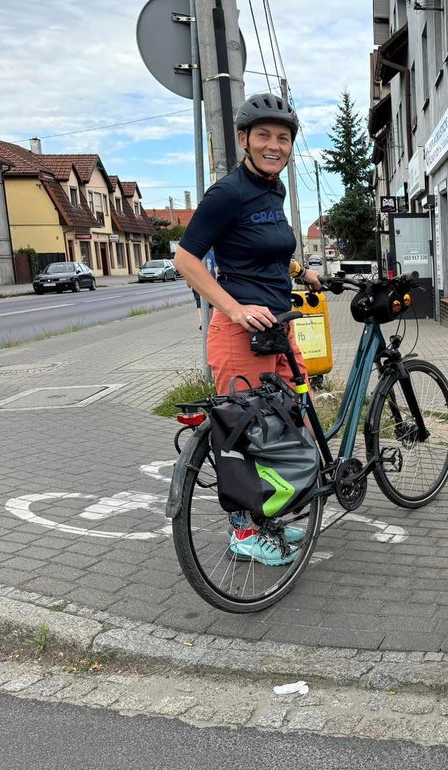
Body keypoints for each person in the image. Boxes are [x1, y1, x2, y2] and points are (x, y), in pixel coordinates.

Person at [174, 92, 321, 565]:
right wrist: (234, 309)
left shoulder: (273, 190)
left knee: (293, 421)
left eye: (283, 137)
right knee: (244, 435)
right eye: (264, 136)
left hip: (278, 328)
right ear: (244, 139)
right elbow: (186, 259)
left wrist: (301, 272)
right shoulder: (228, 193)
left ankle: (271, 515)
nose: (274, 145)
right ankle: (242, 534)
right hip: (241, 333)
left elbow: (265, 247)